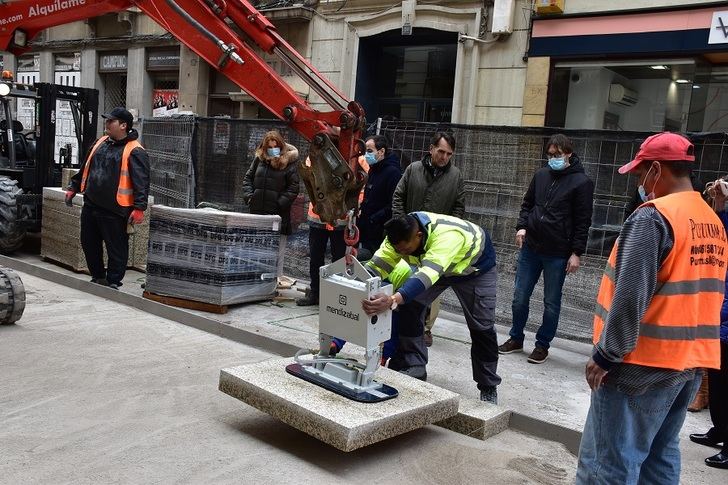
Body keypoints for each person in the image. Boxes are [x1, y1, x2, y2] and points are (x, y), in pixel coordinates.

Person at [576, 132, 727, 483]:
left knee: (607, 466)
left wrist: (606, 356)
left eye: (639, 174)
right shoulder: (711, 222)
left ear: (656, 169)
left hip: (638, 367)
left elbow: (630, 297)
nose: (640, 184)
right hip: (687, 365)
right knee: (659, 456)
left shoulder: (653, 218)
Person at [362, 212, 500, 403]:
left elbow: (427, 276)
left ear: (418, 236)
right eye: (398, 250)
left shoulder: (448, 236)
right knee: (410, 305)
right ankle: (414, 365)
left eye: (405, 250)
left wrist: (392, 299)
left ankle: (488, 386)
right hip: (436, 267)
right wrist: (357, 283)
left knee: (481, 328)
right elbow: (377, 265)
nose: (401, 253)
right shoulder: (398, 233)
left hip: (474, 270)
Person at [499, 134, 594, 364]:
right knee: (519, 296)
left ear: (569, 154)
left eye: (557, 155)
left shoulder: (582, 183)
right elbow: (527, 204)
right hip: (531, 247)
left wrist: (576, 253)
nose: (553, 159)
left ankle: (542, 345)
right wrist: (522, 226)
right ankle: (516, 337)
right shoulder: (541, 175)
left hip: (558, 252)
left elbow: (583, 221)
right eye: (550, 155)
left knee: (551, 302)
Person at [391, 131, 465, 347]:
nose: (444, 157)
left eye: (449, 154)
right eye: (440, 151)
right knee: (406, 277)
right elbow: (398, 196)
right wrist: (400, 226)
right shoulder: (413, 169)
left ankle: (425, 328)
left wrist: (448, 237)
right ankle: (402, 317)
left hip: (435, 242)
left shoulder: (455, 176)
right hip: (408, 239)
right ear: (431, 148)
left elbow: (459, 208)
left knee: (431, 283)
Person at [66, 107, 150, 289]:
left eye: (111, 121)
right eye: (107, 120)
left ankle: (113, 281)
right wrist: (73, 187)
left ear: (123, 125)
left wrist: (139, 208)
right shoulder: (101, 142)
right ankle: (98, 277)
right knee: (89, 243)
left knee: (116, 248)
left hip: (116, 209)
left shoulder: (135, 150)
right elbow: (85, 168)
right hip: (91, 204)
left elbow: (141, 182)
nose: (107, 124)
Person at [688, 176, 728, 469]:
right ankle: (721, 430)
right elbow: (719, 236)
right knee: (717, 379)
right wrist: (720, 204)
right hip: (721, 311)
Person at [296, 155, 368, 306]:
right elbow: (311, 179)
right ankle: (315, 293)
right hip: (318, 216)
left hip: (341, 218)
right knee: (316, 258)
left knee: (339, 260)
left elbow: (362, 186)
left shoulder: (357, 158)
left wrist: (352, 206)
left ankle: (335, 296)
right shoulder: (317, 153)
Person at [242, 130, 299, 276]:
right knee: (256, 249)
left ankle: (274, 282)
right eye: (270, 147)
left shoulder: (289, 164)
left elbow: (293, 188)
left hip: (277, 216)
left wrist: (279, 204)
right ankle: (255, 278)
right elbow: (248, 178)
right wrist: (250, 197)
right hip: (257, 214)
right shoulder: (259, 160)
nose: (273, 150)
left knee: (276, 252)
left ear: (281, 146)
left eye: (276, 146)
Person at [357, 135, 402, 261]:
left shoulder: (392, 173)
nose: (366, 155)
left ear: (381, 151)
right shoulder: (373, 169)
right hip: (367, 228)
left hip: (380, 231)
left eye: (370, 151)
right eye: (365, 151)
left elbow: (393, 203)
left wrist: (374, 218)